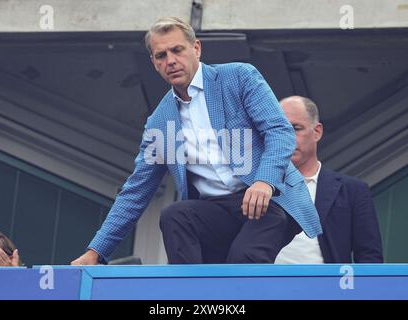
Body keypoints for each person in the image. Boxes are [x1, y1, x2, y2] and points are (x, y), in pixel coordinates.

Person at [72, 17, 321, 265]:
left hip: (268, 200)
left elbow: (279, 131)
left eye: (177, 50)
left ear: (196, 48)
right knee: (174, 216)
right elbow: (135, 191)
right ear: (154, 63)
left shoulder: (238, 77)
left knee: (243, 258)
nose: (170, 61)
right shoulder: (159, 122)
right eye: (161, 56)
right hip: (215, 210)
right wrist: (95, 251)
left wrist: (264, 181)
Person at [275, 96, 383, 263]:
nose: (287, 137)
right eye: (281, 130)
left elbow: (370, 258)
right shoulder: (258, 187)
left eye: (296, 128)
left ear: (317, 132)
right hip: (267, 286)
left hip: (328, 287)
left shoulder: (353, 190)